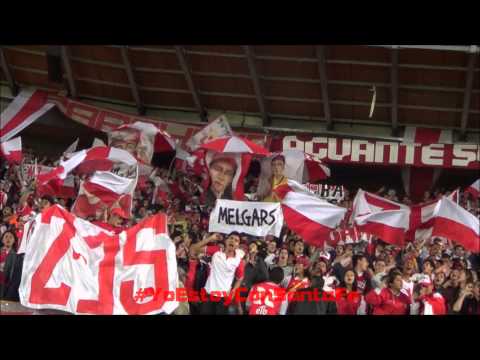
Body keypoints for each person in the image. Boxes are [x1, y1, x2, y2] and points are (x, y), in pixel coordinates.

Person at [194, 232, 245, 315]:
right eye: (231, 238)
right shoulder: (216, 251)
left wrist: (233, 291)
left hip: (223, 298)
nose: (232, 241)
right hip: (208, 294)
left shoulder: (239, 260)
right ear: (226, 240)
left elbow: (240, 278)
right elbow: (194, 248)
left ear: (238, 246)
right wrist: (210, 239)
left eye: (236, 240)